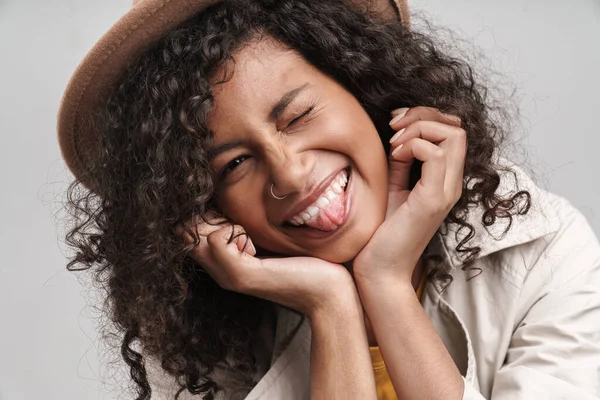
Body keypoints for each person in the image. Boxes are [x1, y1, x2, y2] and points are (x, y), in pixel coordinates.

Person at [58, 0, 600, 399]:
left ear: (365, 92)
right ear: (203, 202)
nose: (290, 174)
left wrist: (384, 283)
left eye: (297, 116)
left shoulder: (541, 253)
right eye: (235, 164)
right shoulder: (199, 335)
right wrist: (331, 306)